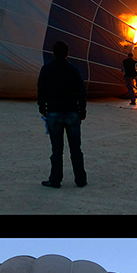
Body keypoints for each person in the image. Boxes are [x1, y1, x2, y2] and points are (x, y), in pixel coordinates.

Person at [37, 40, 87, 188]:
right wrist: (82, 111)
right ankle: (80, 180)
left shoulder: (46, 69)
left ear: (53, 53)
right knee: (76, 149)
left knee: (56, 150)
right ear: (68, 53)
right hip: (72, 113)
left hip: (54, 113)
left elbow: (41, 90)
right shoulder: (74, 70)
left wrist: (42, 108)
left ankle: (55, 179)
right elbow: (82, 92)